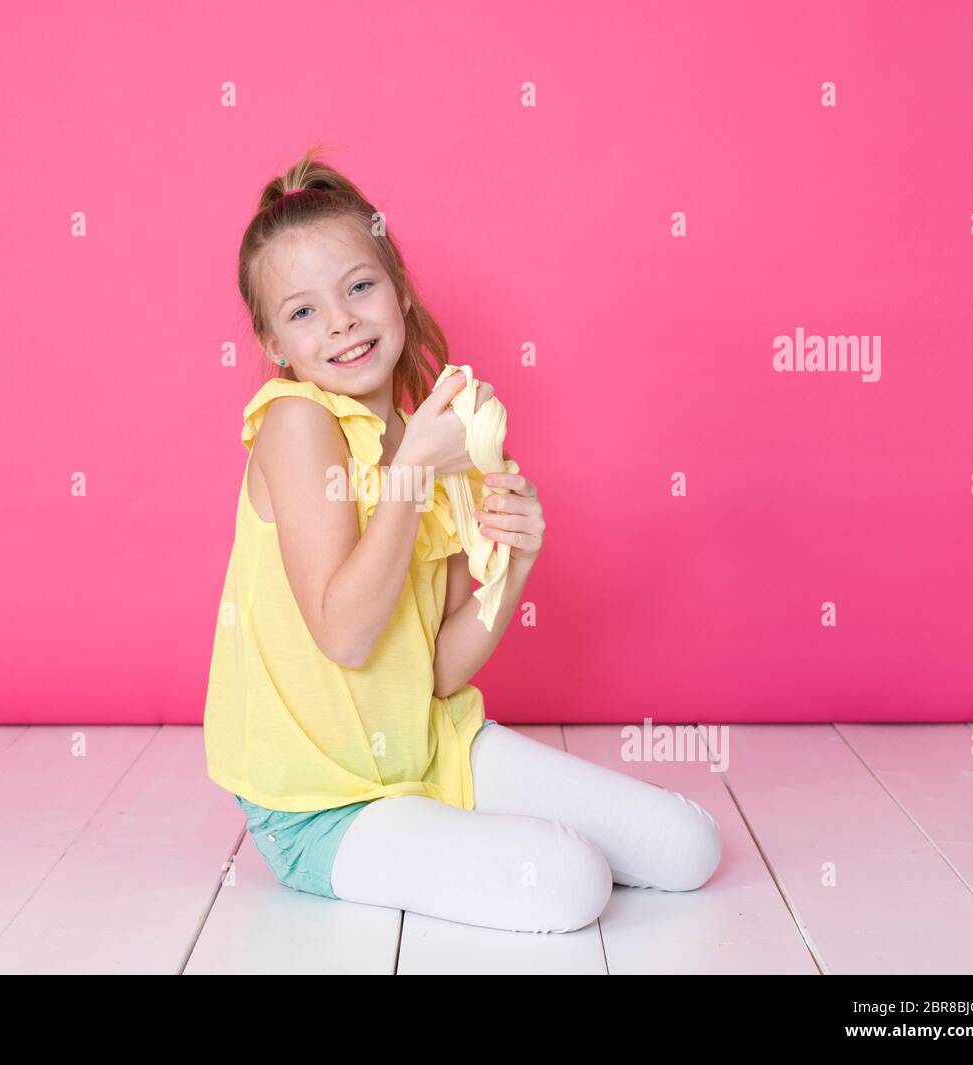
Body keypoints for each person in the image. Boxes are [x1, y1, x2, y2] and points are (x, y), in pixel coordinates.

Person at [202, 146, 722, 933]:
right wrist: (412, 473)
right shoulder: (296, 425)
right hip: (321, 805)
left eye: (359, 286)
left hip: (428, 749)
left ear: (399, 293)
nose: (340, 319)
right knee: (569, 882)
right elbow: (345, 635)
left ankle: (451, 825)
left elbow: (436, 672)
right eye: (303, 311)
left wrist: (512, 568)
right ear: (275, 343)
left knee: (689, 846)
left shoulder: (427, 438)